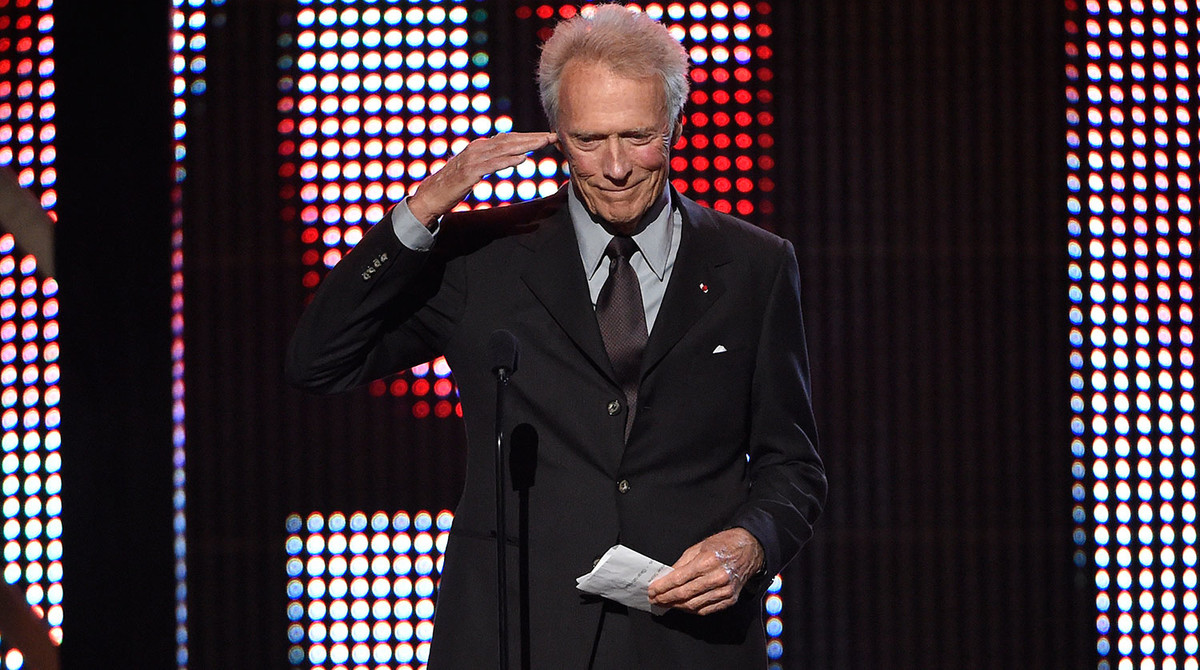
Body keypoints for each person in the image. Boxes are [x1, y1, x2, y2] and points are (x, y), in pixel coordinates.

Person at [286, 4, 825, 668]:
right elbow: (319, 360)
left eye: (638, 136)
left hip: (689, 641)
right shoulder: (482, 260)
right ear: (558, 138)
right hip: (517, 635)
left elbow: (792, 465)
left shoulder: (754, 266)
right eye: (589, 140)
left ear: (676, 126)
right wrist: (427, 205)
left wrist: (751, 544)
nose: (616, 167)